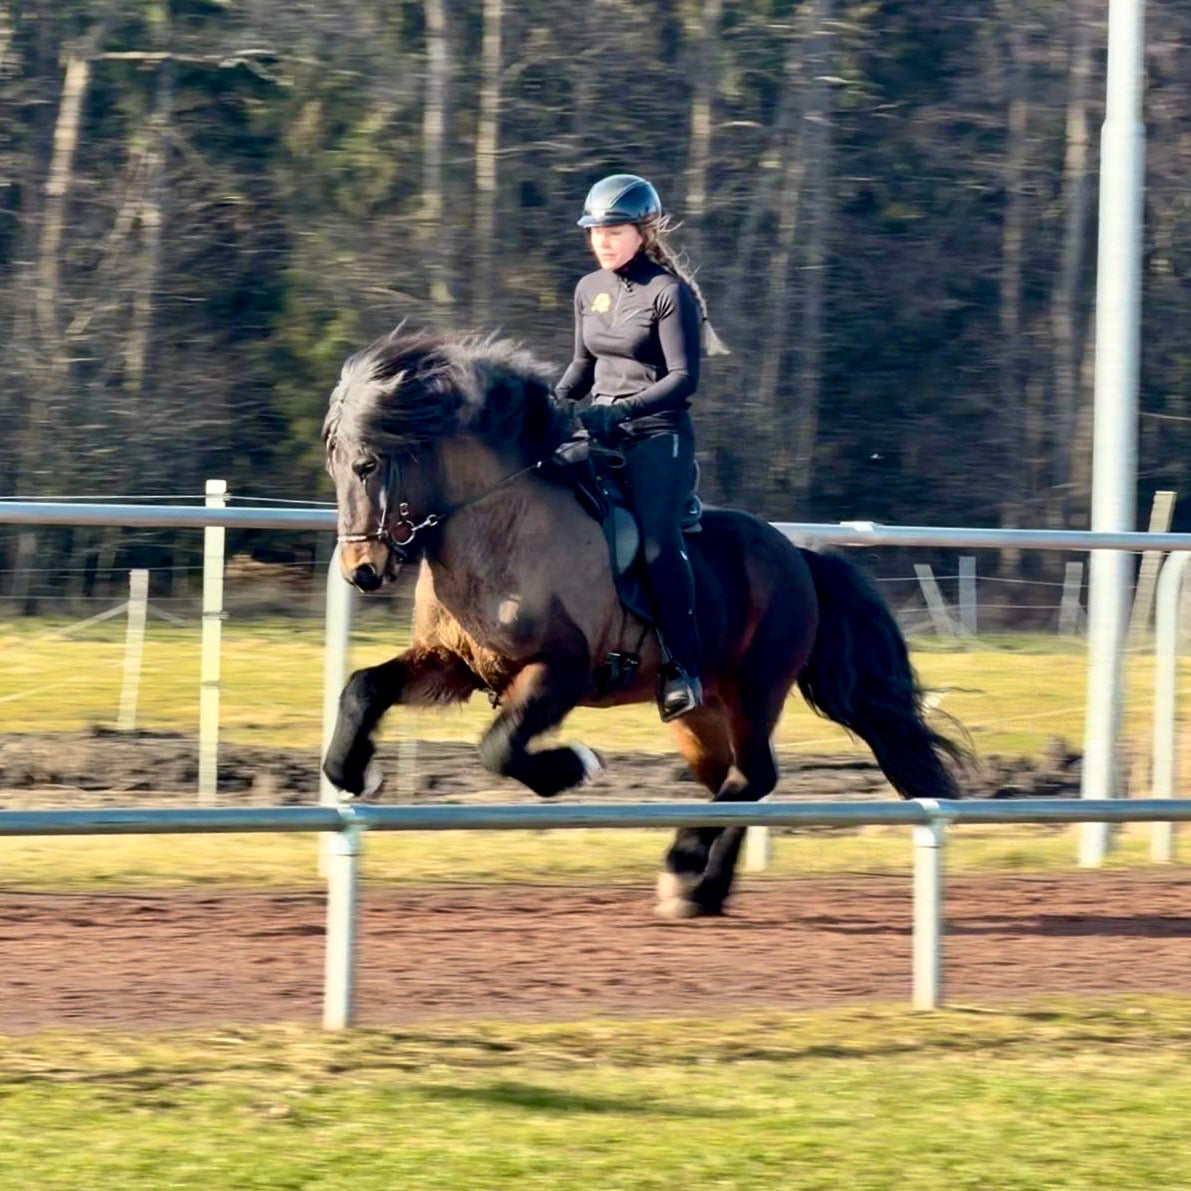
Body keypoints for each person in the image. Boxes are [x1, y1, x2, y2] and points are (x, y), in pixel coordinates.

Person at [554, 173, 728, 722]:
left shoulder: (667, 294)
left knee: (655, 543)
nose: (602, 241)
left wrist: (622, 410)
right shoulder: (588, 289)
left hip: (658, 438)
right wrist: (554, 400)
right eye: (595, 231)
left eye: (614, 230)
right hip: (599, 432)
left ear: (644, 232)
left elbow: (683, 379)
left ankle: (683, 667)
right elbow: (583, 366)